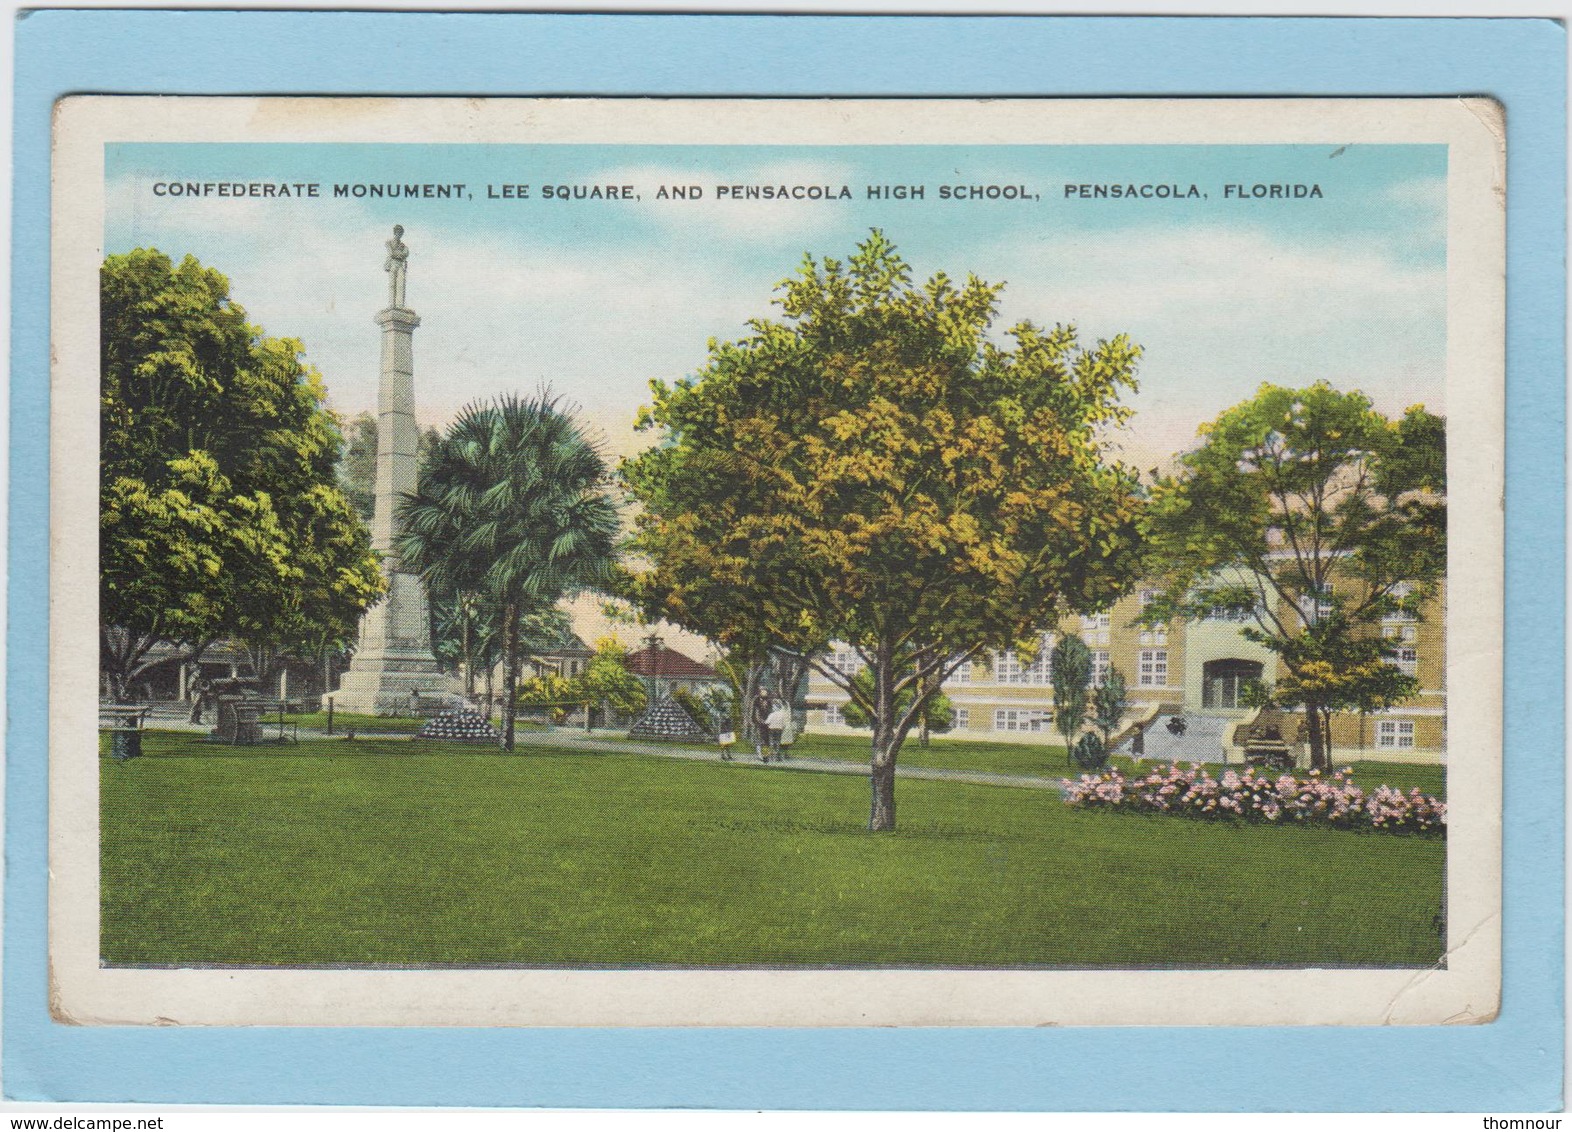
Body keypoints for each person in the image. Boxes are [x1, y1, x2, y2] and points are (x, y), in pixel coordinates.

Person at [751, 688, 775, 762]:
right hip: (759, 723)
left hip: (767, 723)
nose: (765, 694)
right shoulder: (756, 701)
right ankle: (760, 754)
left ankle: (766, 755)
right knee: (760, 739)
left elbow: (771, 711)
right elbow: (755, 713)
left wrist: (769, 721)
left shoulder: (769, 702)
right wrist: (759, 721)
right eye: (763, 692)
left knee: (767, 740)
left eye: (766, 692)